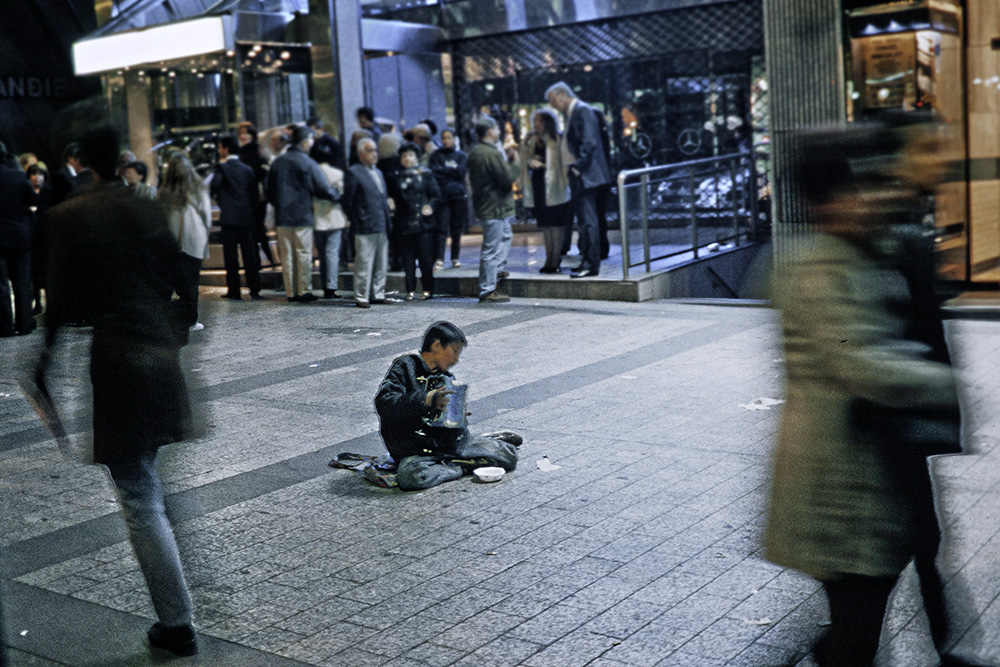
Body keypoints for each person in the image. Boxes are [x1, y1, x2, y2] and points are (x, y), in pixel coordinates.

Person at [765, 120, 988, 667]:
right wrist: (946, 382)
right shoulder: (815, 265)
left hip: (868, 474)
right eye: (860, 187)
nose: (874, 196)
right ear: (826, 202)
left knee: (864, 609)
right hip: (835, 484)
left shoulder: (867, 249)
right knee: (857, 619)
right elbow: (862, 364)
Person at [40, 125, 198, 657]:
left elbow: (59, 304)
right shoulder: (146, 206)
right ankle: (176, 595)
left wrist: (43, 364)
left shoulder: (70, 216)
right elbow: (186, 281)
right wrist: (173, 331)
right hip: (158, 352)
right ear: (123, 160)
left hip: (117, 361)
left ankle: (177, 623)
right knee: (148, 479)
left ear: (82, 159)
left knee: (137, 495)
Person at [374, 321, 521, 491]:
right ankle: (462, 467)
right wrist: (426, 399)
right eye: (454, 352)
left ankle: (458, 461)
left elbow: (447, 421)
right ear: (437, 346)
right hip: (416, 451)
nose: (456, 359)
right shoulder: (405, 366)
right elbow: (384, 402)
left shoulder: (446, 377)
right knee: (412, 478)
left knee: (509, 456)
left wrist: (457, 415)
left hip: (449, 445)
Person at [544, 81, 612, 278]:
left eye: (553, 100)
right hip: (583, 175)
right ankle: (588, 261)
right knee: (585, 221)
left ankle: (591, 264)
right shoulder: (575, 112)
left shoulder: (581, 111)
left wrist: (577, 168)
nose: (553, 105)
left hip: (586, 175)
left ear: (563, 94)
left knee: (588, 220)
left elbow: (589, 143)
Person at [266, 125, 340, 302]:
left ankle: (291, 292)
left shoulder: (278, 162)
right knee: (303, 253)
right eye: (310, 141)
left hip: (283, 217)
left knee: (287, 255)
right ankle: (304, 290)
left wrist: (279, 204)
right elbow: (322, 187)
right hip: (302, 215)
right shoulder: (307, 162)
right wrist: (336, 196)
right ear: (305, 142)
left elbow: (268, 190)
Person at [467, 115, 520, 303]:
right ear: (490, 132)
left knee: (506, 235)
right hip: (494, 207)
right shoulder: (490, 153)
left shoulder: (477, 152)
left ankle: (497, 269)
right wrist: (515, 162)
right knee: (491, 248)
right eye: (497, 129)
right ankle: (488, 289)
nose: (499, 132)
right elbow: (506, 179)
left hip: (489, 205)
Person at [158, 153, 212, 332]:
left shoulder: (165, 192)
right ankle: (190, 321)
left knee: (171, 281)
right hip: (194, 240)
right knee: (191, 284)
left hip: (171, 243)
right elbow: (206, 215)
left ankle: (164, 318)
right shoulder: (198, 188)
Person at [343, 137, 393, 308]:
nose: (374, 154)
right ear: (361, 154)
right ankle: (361, 296)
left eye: (375, 150)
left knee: (381, 262)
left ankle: (377, 293)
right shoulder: (354, 172)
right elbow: (348, 201)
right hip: (364, 225)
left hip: (381, 223)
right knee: (364, 262)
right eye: (370, 151)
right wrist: (356, 217)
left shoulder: (378, 172)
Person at [520, 109, 571, 273]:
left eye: (540, 122)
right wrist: (529, 160)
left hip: (555, 186)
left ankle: (555, 259)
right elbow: (524, 160)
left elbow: (564, 163)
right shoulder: (532, 139)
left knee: (556, 224)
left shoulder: (557, 138)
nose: (536, 125)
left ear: (547, 123)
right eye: (535, 122)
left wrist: (544, 165)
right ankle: (549, 258)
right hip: (538, 185)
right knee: (545, 224)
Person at [388, 142, 441, 300]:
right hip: (404, 223)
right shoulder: (396, 176)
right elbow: (393, 197)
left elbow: (436, 195)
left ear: (417, 157)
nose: (407, 159)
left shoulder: (425, 173)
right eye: (404, 156)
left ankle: (427, 289)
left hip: (423, 223)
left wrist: (430, 207)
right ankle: (410, 289)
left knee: (425, 259)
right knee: (408, 259)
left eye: (410, 155)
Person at [212, 136, 262, 300]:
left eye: (221, 147)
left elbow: (214, 186)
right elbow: (254, 194)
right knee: (250, 255)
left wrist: (221, 201)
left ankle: (234, 290)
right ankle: (254, 289)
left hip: (229, 218)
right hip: (246, 217)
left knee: (231, 257)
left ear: (225, 149)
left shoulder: (222, 167)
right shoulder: (247, 169)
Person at [0, 157, 38, 336]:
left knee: (1, 284)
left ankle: (5, 326)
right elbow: (32, 199)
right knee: (22, 280)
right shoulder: (18, 176)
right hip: (19, 235)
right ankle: (24, 323)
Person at [236, 121, 277, 268]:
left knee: (258, 227)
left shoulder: (259, 150)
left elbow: (266, 170)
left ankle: (269, 258)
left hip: (258, 195)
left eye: (246, 133)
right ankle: (258, 261)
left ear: (252, 134)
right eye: (241, 133)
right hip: (245, 195)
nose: (243, 136)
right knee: (252, 229)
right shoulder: (239, 152)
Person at [429, 128, 469, 269]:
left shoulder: (461, 155)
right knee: (442, 227)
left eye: (449, 137)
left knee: (456, 228)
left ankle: (455, 257)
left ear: (454, 139)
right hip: (443, 196)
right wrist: (452, 170)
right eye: (444, 138)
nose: (446, 140)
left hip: (458, 195)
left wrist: (444, 170)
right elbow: (434, 173)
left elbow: (461, 172)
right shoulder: (436, 155)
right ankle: (439, 258)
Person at [312, 153, 348, 299]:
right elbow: (342, 193)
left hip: (317, 218)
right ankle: (331, 287)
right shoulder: (337, 173)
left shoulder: (312, 172)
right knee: (332, 253)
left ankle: (324, 286)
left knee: (322, 255)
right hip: (334, 217)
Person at [27, 162, 52, 315]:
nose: (37, 177)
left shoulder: (48, 191)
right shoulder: (26, 191)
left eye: (40, 174)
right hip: (31, 237)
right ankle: (37, 301)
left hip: (45, 237)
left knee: (47, 271)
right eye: (34, 174)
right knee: (34, 273)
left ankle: (49, 303)